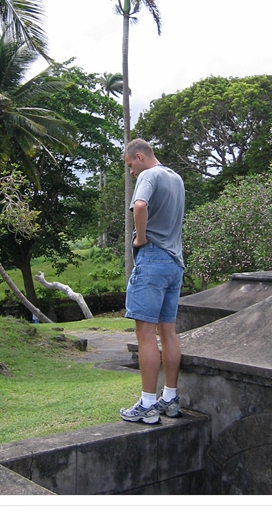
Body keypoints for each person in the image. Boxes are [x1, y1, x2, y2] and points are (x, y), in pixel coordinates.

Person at [119, 138, 185, 424]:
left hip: (153, 259)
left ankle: (147, 403)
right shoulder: (176, 178)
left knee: (145, 333)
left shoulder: (149, 175)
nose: (131, 172)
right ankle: (169, 397)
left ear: (139, 157)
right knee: (168, 332)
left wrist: (141, 237)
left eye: (130, 166)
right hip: (175, 262)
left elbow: (141, 206)